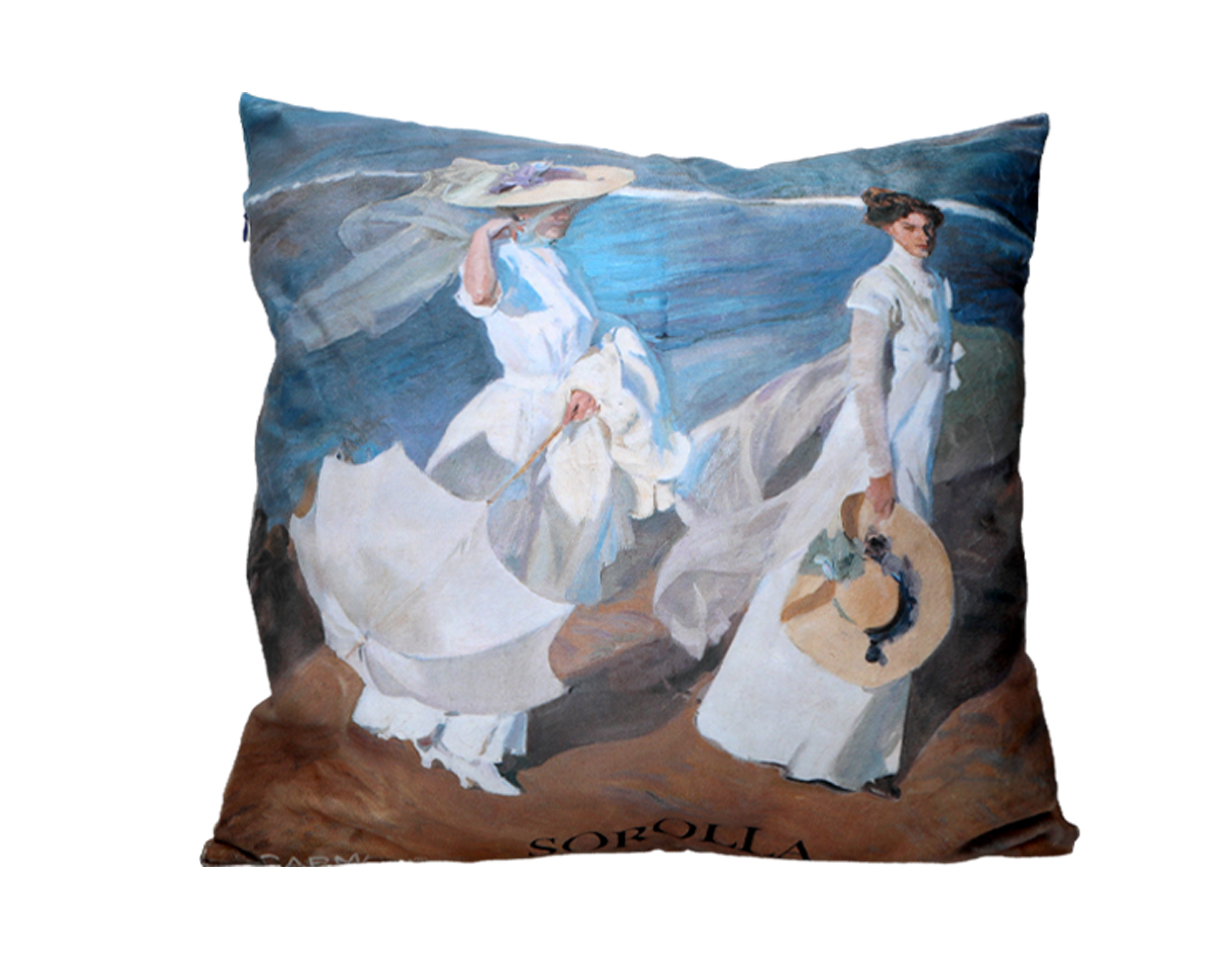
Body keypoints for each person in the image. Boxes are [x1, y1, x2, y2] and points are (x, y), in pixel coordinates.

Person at [290, 160, 688, 795]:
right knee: (475, 566)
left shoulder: (559, 262)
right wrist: (484, 236)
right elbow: (479, 296)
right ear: (521, 211)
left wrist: (591, 382)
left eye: (570, 202)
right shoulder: (502, 259)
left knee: (538, 574)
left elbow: (586, 338)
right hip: (513, 424)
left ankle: (474, 739)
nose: (569, 211)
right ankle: (429, 723)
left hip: (568, 427)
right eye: (557, 202)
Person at [655, 187, 961, 795]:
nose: (923, 235)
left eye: (929, 226)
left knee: (901, 588)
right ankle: (769, 729)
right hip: (871, 456)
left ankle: (861, 755)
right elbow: (865, 383)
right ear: (889, 229)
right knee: (837, 577)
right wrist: (879, 470)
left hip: (913, 451)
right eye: (911, 226)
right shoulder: (877, 288)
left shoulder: (939, 288)